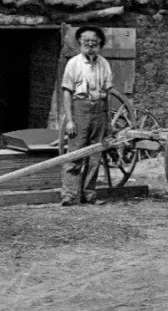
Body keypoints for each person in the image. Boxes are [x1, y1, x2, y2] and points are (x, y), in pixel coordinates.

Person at [60, 26, 113, 206]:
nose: (90, 44)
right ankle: (69, 195)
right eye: (86, 41)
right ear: (80, 43)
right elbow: (67, 92)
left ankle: (89, 194)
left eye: (94, 42)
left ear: (99, 44)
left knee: (94, 156)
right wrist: (69, 120)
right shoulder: (73, 63)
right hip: (80, 109)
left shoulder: (104, 64)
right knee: (75, 154)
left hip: (99, 111)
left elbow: (108, 92)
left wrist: (107, 121)